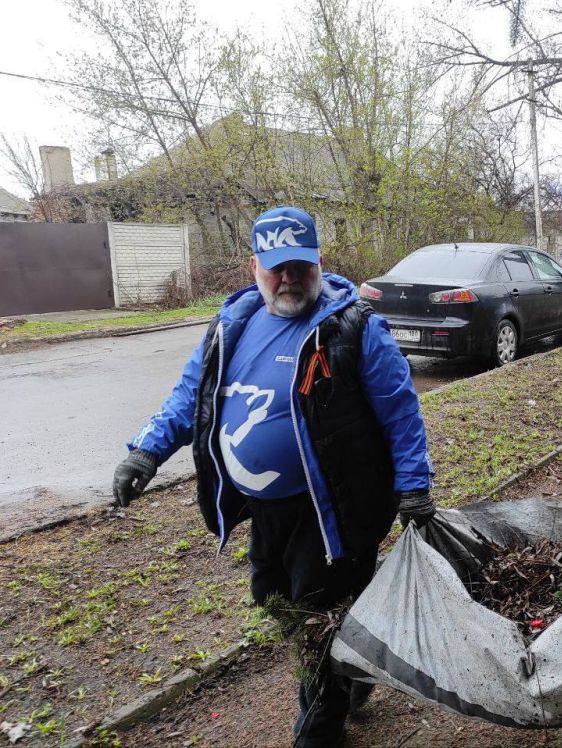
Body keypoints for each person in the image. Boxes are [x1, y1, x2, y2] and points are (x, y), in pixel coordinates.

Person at [111, 206, 434, 747]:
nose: (289, 278)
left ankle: (320, 727)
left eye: (300, 267)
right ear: (254, 265)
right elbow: (192, 393)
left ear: (318, 264)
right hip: (265, 509)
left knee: (316, 617)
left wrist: (414, 486)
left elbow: (401, 412)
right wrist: (146, 451)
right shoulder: (233, 323)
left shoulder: (353, 327)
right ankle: (353, 668)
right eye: (276, 267)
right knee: (275, 598)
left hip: (333, 507)